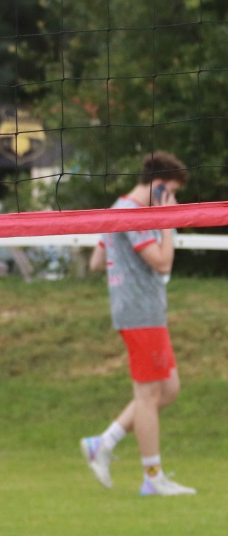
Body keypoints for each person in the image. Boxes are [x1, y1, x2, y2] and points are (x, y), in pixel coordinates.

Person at [80, 151, 194, 496]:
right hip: (140, 314)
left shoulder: (118, 208)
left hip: (142, 312)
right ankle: (152, 477)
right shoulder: (135, 215)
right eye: (172, 192)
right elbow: (161, 262)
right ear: (159, 187)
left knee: (168, 389)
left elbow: (97, 261)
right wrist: (167, 221)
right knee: (147, 396)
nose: (174, 199)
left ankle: (103, 442)